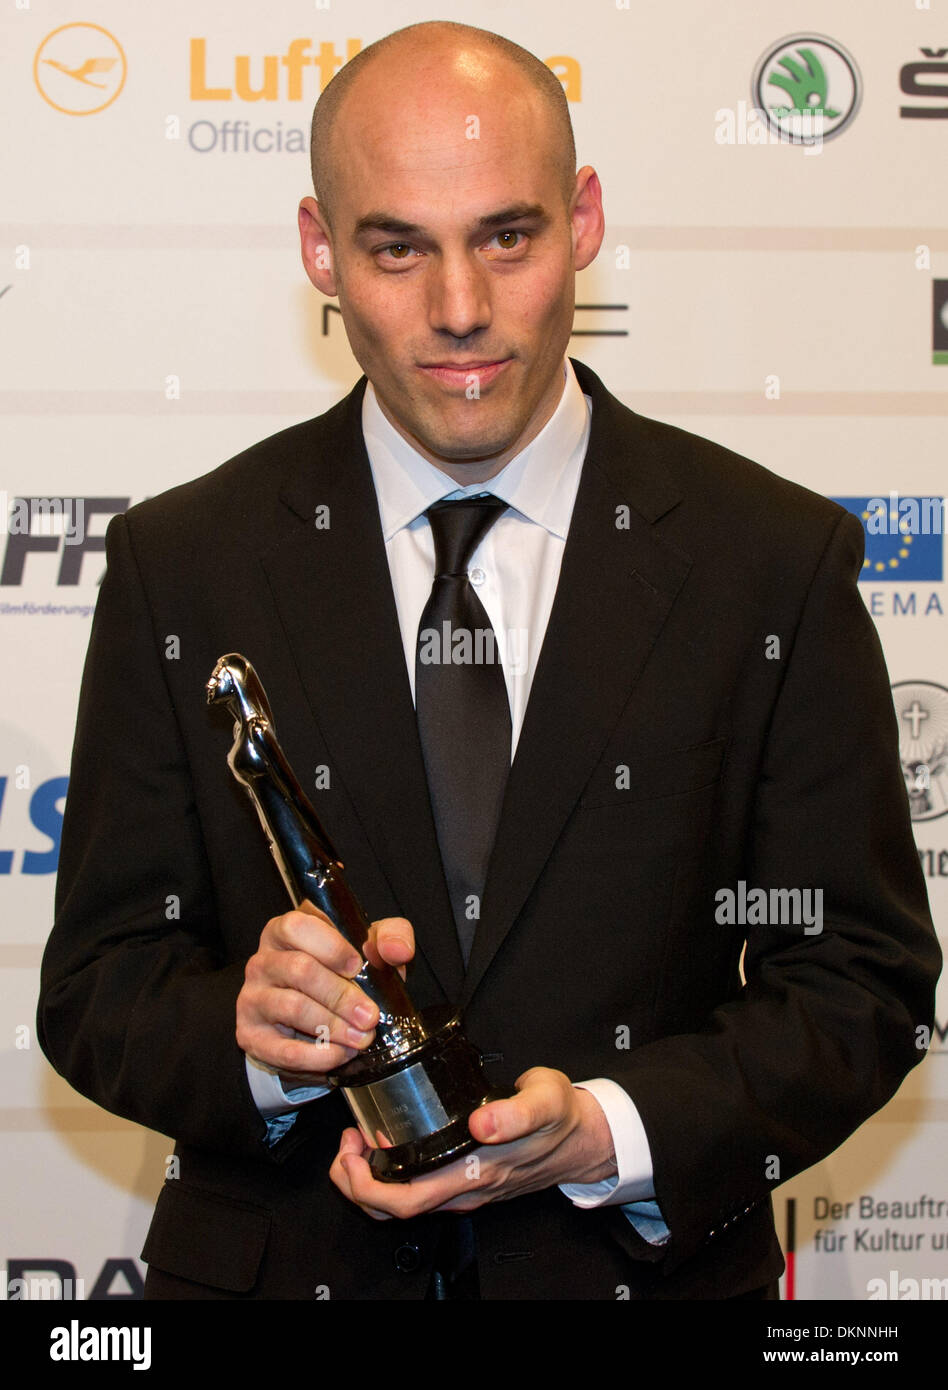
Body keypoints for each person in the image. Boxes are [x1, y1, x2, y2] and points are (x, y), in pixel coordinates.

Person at [38, 20, 940, 1301]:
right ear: (320, 252)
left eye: (506, 237)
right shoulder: (181, 562)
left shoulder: (769, 561)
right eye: (396, 247)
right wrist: (262, 1047)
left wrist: (613, 1129)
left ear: (583, 221)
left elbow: (862, 979)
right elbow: (95, 986)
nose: (459, 311)